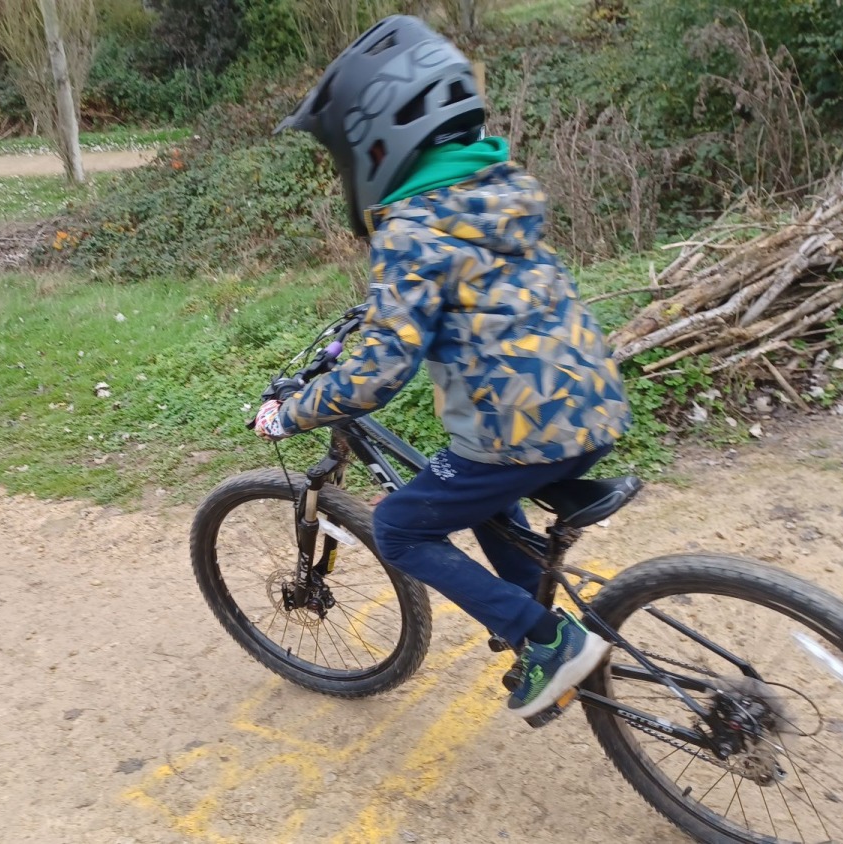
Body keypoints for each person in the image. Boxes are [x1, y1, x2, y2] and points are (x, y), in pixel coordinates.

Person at [252, 15, 632, 720]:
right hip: (593, 407)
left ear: (376, 140)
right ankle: (538, 640)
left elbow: (374, 377)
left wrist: (295, 411)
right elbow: (465, 297)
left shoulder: (412, 227)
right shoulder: (496, 192)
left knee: (401, 525)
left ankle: (547, 641)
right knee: (469, 486)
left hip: (521, 434)